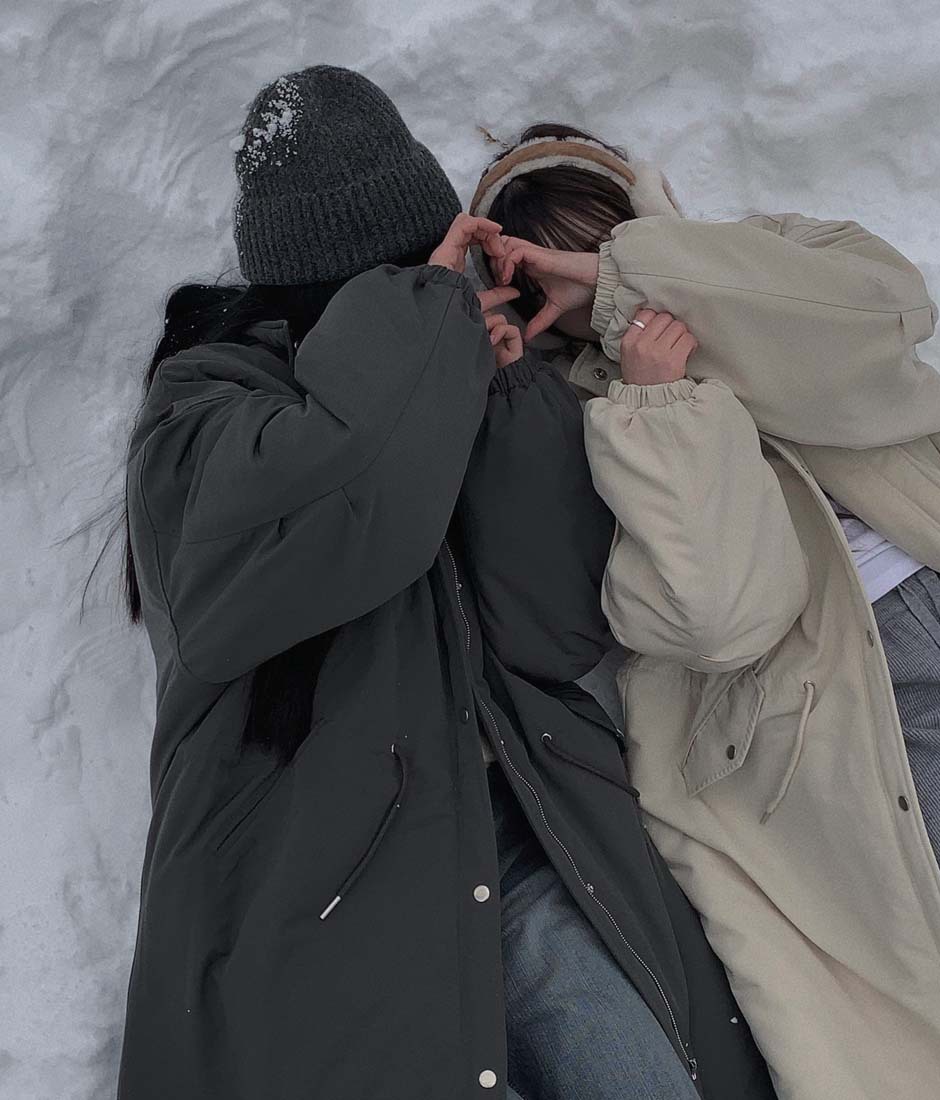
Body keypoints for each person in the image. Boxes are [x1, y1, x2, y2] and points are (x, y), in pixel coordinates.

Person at [114, 69, 774, 1100]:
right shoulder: (203, 409)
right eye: (412, 271)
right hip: (316, 882)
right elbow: (361, 513)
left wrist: (505, 396)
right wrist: (423, 323)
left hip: (519, 845)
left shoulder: (435, 381)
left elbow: (554, 628)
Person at [470, 124, 940, 1100]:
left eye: (599, 236)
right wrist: (661, 410)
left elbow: (887, 317)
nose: (580, 273)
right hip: (879, 721)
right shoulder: (582, 423)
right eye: (553, 262)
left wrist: (637, 280)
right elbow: (721, 615)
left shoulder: (778, 262)